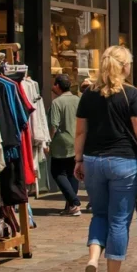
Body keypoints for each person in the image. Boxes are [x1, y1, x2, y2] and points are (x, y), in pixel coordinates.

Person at [74, 46, 137, 272]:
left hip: (93, 160)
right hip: (123, 161)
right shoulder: (130, 94)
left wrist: (78, 160)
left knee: (99, 214)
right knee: (119, 219)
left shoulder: (89, 94)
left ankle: (93, 259)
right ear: (124, 67)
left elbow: (81, 131)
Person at [49, 74, 82, 216]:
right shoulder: (78, 100)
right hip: (76, 140)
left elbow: (53, 125)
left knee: (57, 172)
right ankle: (71, 206)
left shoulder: (57, 102)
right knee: (72, 173)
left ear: (57, 85)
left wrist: (48, 141)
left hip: (61, 142)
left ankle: (74, 202)